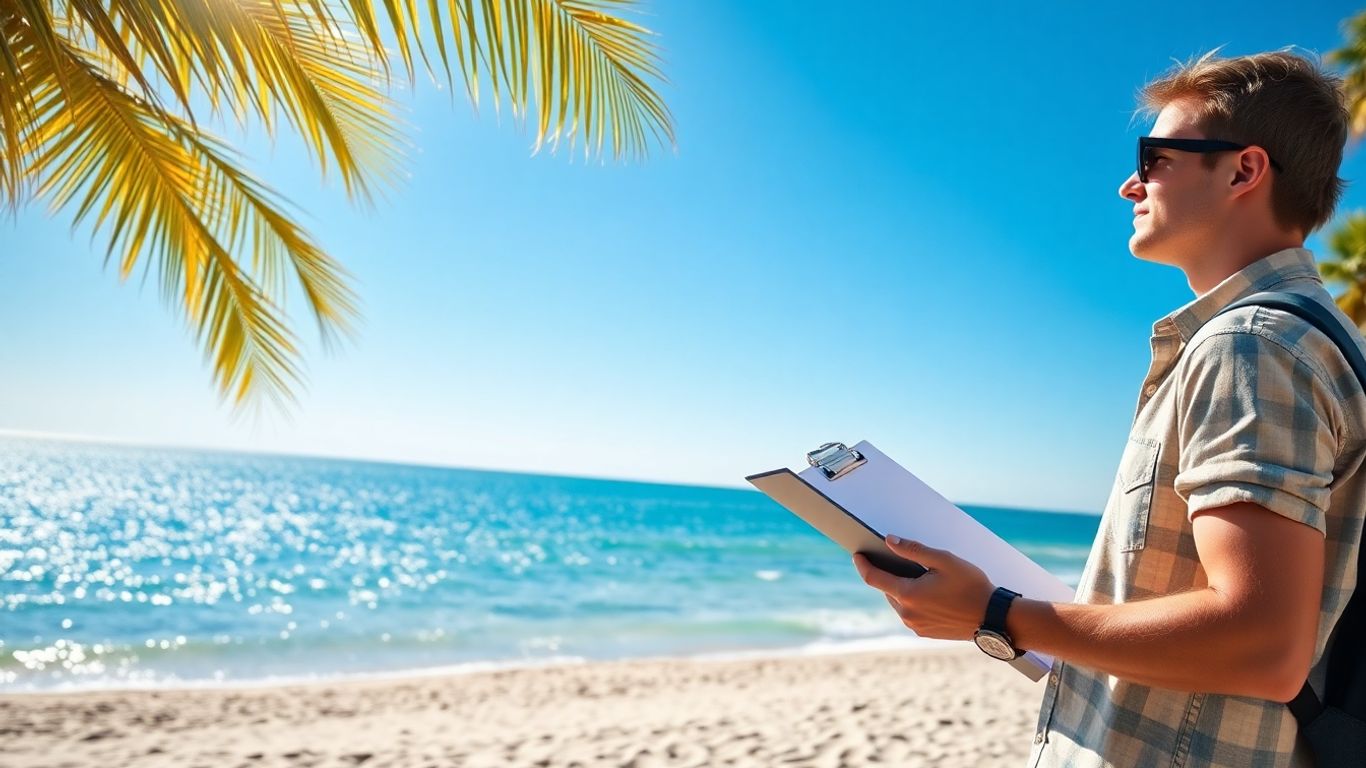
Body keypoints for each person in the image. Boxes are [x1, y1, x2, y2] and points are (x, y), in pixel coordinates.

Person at [852, 49, 1366, 767]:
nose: (1130, 184)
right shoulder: (1317, 340)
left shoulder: (1252, 346)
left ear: (1244, 170)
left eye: (1155, 158)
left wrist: (997, 613)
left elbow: (1262, 641)